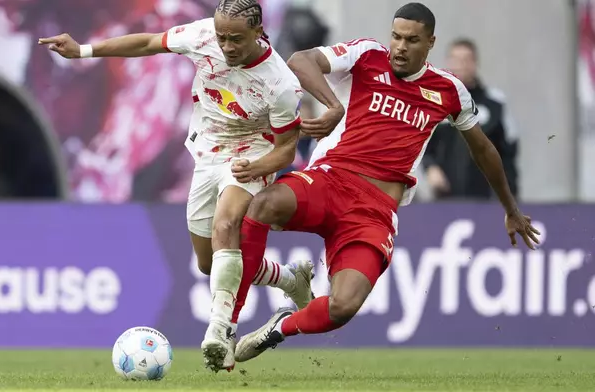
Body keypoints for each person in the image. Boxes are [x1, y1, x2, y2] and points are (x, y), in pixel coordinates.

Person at [231, 2, 541, 362]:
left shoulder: (449, 90)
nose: (400, 46)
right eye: (395, 36)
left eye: (411, 40)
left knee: (343, 307)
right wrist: (333, 106)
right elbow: (301, 59)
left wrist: (511, 209)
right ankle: (230, 323)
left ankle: (279, 328)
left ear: (430, 42)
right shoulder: (368, 55)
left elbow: (484, 150)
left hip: (373, 213)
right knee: (263, 205)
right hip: (331, 181)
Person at [38, 0, 315, 372]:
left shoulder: (280, 83)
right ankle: (288, 277)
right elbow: (148, 43)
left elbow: (285, 151)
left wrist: (257, 167)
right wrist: (84, 51)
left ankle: (220, 330)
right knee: (207, 262)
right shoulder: (201, 35)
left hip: (252, 156)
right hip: (207, 154)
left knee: (226, 226)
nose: (227, 46)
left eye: (236, 39)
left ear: (259, 33)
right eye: (222, 37)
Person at [423, 38, 519, 200]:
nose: (460, 65)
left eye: (466, 60)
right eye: (455, 60)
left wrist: (510, 189)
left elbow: (510, 147)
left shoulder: (495, 103)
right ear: (448, 62)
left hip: (487, 197)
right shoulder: (435, 102)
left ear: (475, 63)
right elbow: (423, 143)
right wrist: (430, 168)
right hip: (445, 198)